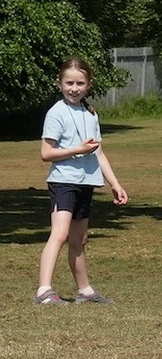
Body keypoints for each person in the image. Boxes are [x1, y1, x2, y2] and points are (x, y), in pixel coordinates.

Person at [35, 58, 128, 305]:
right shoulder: (56, 113)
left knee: (79, 239)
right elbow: (46, 153)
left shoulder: (90, 112)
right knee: (60, 233)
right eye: (69, 83)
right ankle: (44, 291)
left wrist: (115, 184)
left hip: (86, 183)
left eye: (79, 83)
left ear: (88, 85)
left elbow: (97, 152)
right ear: (59, 84)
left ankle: (85, 291)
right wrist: (77, 149)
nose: (74, 88)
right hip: (63, 182)